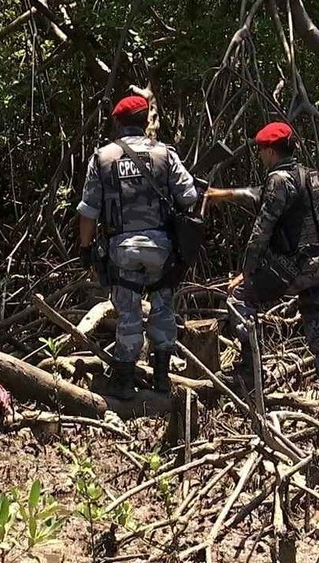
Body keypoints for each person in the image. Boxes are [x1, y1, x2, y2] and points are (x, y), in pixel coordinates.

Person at [76, 95, 199, 400]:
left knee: (128, 312)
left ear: (117, 122)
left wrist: (85, 248)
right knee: (163, 307)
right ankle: (160, 377)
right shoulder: (164, 154)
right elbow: (190, 196)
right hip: (161, 247)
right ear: (146, 123)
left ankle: (125, 381)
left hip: (122, 249)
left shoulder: (102, 157)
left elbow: (88, 211)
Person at [226, 121, 319, 398]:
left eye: (261, 150)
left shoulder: (279, 179)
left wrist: (247, 271)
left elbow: (261, 231)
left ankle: (250, 370)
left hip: (297, 265)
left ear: (271, 152)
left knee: (240, 296)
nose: (260, 156)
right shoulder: (311, 175)